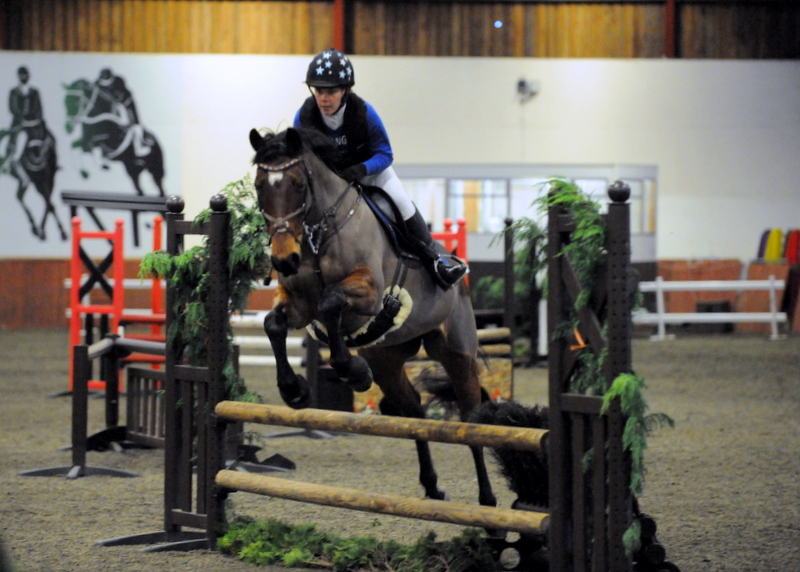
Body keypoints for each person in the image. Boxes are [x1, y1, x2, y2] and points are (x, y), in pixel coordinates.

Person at [294, 48, 467, 290]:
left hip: (371, 174)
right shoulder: (304, 117)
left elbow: (385, 154)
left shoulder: (364, 113)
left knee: (402, 204)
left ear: (345, 90)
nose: (324, 98)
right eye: (319, 91)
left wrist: (361, 169)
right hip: (331, 183)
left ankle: (437, 262)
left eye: (331, 92)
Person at [1, 66, 45, 183]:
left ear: (28, 76)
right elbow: (12, 108)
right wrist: (21, 119)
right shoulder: (13, 92)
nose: (23, 77)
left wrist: (34, 119)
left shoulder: (35, 92)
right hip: (18, 124)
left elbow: (38, 108)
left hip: (33, 124)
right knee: (17, 137)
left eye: (25, 75)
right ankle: (9, 161)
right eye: (21, 75)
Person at [95, 67, 149, 157]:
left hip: (125, 105)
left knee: (136, 125)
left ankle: (139, 146)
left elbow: (121, 97)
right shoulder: (97, 84)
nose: (107, 85)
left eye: (108, 83)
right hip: (110, 108)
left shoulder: (119, 82)